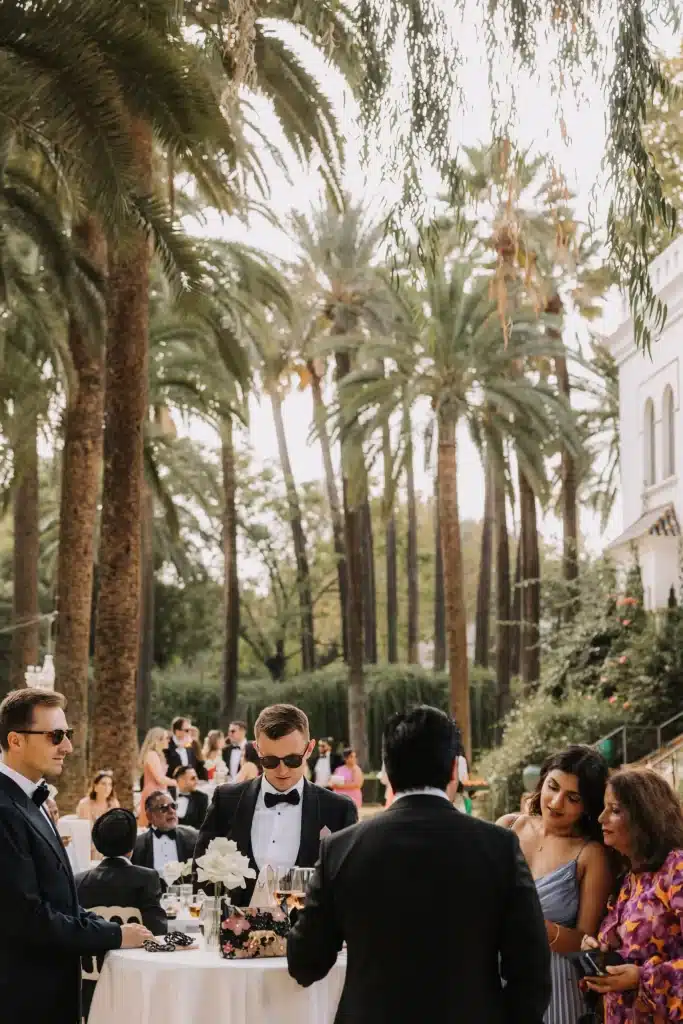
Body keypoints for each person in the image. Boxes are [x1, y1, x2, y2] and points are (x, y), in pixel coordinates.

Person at [288, 705, 551, 1023]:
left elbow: (306, 963)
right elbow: (531, 970)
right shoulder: (498, 846)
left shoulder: (341, 849)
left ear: (385, 769)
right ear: (454, 769)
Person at [0, 689, 151, 1024]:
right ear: (16, 740)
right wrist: (114, 935)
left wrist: (111, 927)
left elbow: (59, 900)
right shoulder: (4, 810)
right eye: (55, 736)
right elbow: (28, 917)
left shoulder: (29, 802)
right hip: (23, 1001)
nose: (67, 746)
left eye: (66, 735)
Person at [195, 703, 358, 905]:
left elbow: (350, 885)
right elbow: (201, 869)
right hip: (236, 930)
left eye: (292, 760)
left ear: (309, 749)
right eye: (270, 761)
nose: (282, 770)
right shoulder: (226, 800)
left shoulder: (338, 809)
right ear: (257, 749)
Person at [497, 746, 613, 1024]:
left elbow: (587, 943)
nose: (556, 802)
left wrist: (534, 923)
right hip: (499, 978)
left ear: (587, 806)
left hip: (557, 986)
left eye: (572, 798)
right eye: (553, 786)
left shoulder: (590, 854)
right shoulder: (509, 827)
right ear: (543, 779)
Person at [581, 767, 683, 1023]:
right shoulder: (627, 881)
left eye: (614, 810)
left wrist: (641, 977)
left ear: (644, 817)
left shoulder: (676, 869)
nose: (601, 818)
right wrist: (598, 954)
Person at [76, 808, 167, 934]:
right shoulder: (147, 878)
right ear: (132, 846)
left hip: (92, 952)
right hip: (136, 952)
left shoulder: (78, 881)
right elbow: (158, 929)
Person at [132, 790, 198, 885]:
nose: (171, 811)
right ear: (150, 816)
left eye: (174, 806)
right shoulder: (137, 845)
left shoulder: (193, 838)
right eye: (164, 808)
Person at [137, 727, 175, 827]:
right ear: (158, 740)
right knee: (153, 825)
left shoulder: (159, 755)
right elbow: (160, 778)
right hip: (153, 793)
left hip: (160, 792)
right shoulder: (151, 755)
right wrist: (177, 783)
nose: (169, 740)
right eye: (166, 738)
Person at [174, 765, 209, 830]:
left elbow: (202, 826)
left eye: (196, 778)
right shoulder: (168, 795)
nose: (197, 781)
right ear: (181, 780)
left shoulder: (202, 798)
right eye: (193, 778)